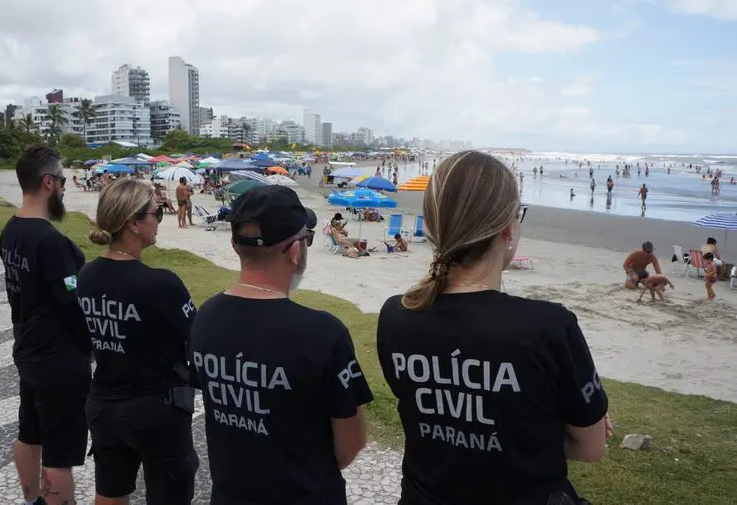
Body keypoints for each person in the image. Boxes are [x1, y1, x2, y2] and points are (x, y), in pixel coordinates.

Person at [376, 150, 610, 505]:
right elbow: (591, 446)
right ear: (507, 228)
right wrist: (534, 429)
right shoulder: (549, 326)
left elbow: (427, 415)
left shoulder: (397, 314)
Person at [190, 185, 373, 504]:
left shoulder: (205, 317)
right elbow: (351, 442)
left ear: (235, 246)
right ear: (294, 250)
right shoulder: (322, 333)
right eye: (307, 239)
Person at [77, 178, 199, 505]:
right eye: (155, 213)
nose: (159, 220)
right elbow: (196, 343)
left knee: (110, 492)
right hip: (155, 409)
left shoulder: (86, 276)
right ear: (133, 221)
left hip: (103, 404)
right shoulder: (161, 284)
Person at [0, 146, 92, 505]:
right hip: (58, 360)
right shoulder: (51, 243)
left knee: (30, 431)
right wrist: (91, 346)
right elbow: (74, 307)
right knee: (59, 455)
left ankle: (33, 500)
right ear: (48, 182)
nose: (66, 188)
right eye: (64, 180)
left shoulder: (11, 230)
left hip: (28, 351)